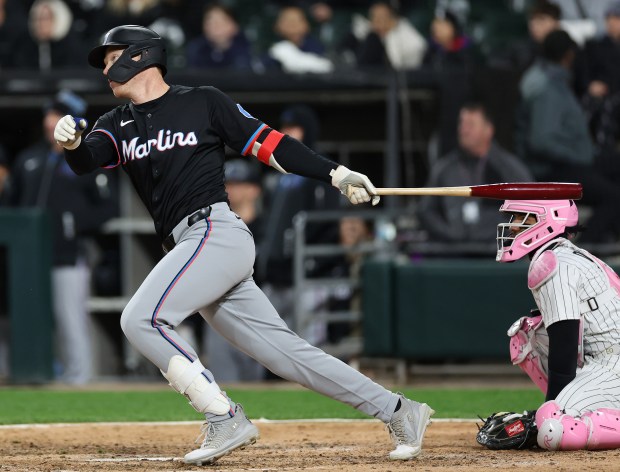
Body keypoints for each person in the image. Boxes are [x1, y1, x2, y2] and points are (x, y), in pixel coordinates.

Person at [53, 25, 434, 465]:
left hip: (215, 233)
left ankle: (223, 416)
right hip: (190, 247)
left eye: (110, 56)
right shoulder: (116, 123)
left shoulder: (202, 102)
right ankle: (400, 410)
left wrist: (335, 173)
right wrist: (73, 143)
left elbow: (271, 144)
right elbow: (87, 160)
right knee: (286, 355)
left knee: (141, 319)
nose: (104, 68)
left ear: (139, 56)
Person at [6, 89, 118, 384]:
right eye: (49, 115)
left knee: (70, 319)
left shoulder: (88, 159)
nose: (50, 122)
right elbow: (12, 205)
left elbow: (109, 207)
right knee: (31, 319)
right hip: (27, 257)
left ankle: (78, 381)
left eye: (57, 115)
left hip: (68, 253)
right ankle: (34, 376)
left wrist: (74, 224)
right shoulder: (30, 159)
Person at [493, 199, 620, 450]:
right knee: (525, 337)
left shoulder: (553, 263)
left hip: (612, 363)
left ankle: (569, 410)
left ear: (546, 221)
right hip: (601, 359)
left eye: (522, 219)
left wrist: (552, 409)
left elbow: (565, 344)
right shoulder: (561, 254)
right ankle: (571, 406)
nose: (513, 227)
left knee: (554, 426)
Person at [417, 102, 533, 244]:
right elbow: (426, 211)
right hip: (451, 254)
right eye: (461, 124)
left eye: (470, 125)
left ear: (488, 130)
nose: (463, 130)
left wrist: (502, 234)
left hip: (495, 255)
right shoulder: (445, 168)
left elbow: (530, 209)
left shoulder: (509, 169)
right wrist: (448, 233)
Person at [343, 1, 426, 70]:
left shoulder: (406, 35)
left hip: (397, 79)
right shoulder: (368, 31)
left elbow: (417, 49)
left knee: (373, 40)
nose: (375, 22)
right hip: (368, 76)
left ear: (393, 19)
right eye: (373, 18)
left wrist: (389, 38)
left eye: (380, 18)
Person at [267, 5, 333, 74]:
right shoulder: (273, 49)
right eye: (288, 21)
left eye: (298, 20)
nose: (293, 25)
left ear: (307, 25)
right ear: (277, 26)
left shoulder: (317, 47)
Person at [185, 3, 252, 70]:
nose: (215, 26)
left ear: (234, 25)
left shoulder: (249, 49)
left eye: (221, 21)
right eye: (210, 22)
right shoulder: (196, 50)